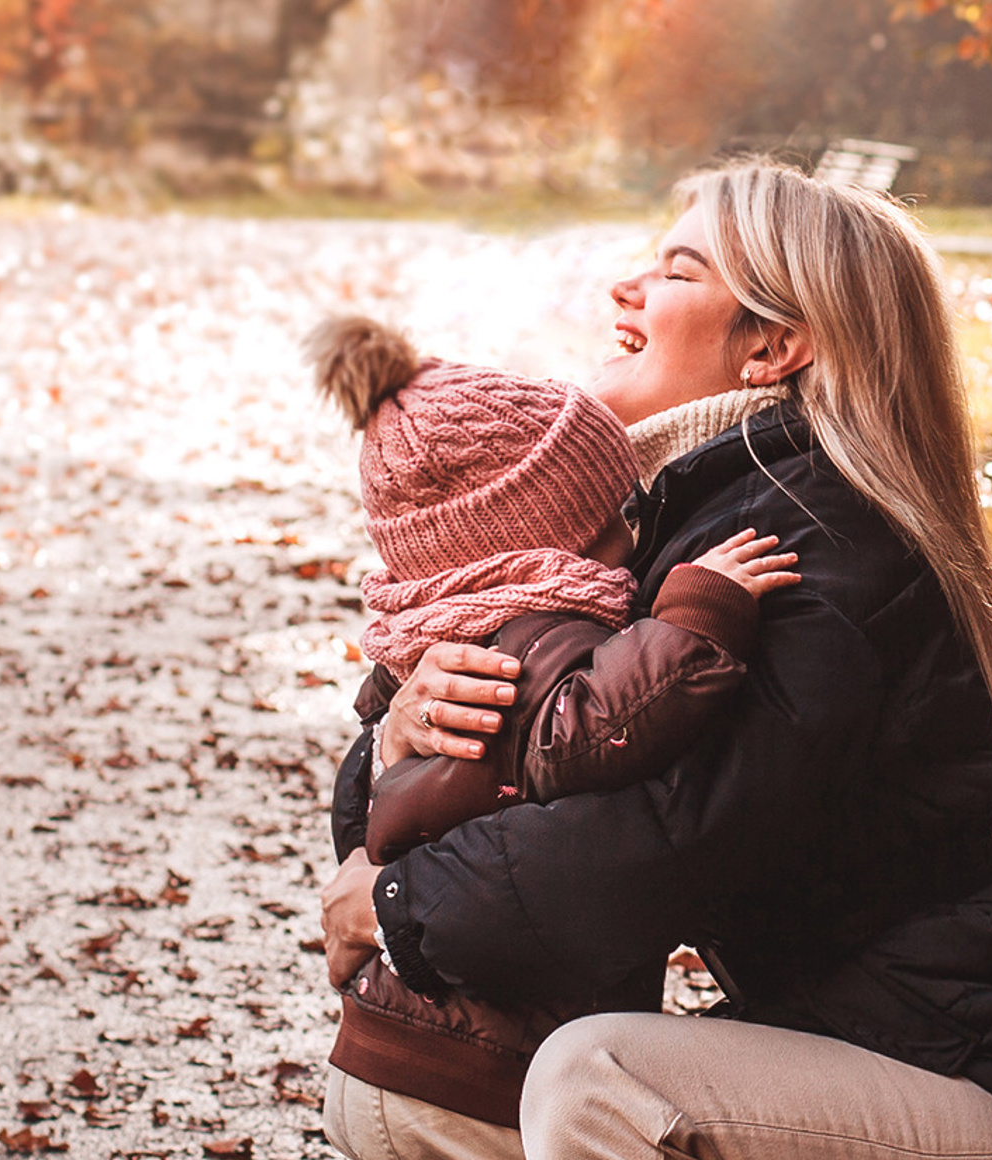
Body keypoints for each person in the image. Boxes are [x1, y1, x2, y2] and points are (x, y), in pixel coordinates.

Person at [321, 161, 992, 1160]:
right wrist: (398, 731)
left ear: (772, 347)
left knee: (596, 1082)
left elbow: (649, 840)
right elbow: (538, 743)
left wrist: (397, 909)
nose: (626, 289)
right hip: (911, 1051)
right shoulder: (672, 534)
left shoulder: (808, 549)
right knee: (415, 1095)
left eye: (677, 270)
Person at [305, 316, 799, 1141]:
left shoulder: (445, 635)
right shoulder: (534, 644)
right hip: (469, 1075)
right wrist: (697, 612)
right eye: (615, 519)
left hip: (408, 1052)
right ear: (548, 542)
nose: (634, 540)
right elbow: (592, 725)